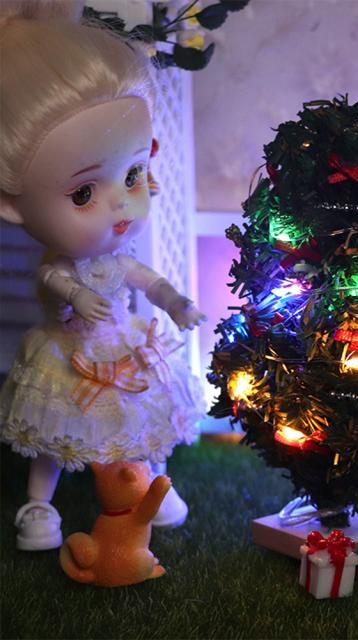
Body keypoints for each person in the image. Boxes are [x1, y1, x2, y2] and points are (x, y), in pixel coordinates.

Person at [0, 1, 206, 551]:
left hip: (123, 345)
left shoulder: (119, 258)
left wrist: (177, 303)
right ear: (12, 205)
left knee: (140, 418)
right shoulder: (63, 263)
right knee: (55, 435)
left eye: (134, 173)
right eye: (84, 193)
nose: (121, 205)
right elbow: (54, 278)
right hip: (69, 351)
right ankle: (38, 504)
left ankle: (155, 485)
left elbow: (149, 281)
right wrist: (76, 293)